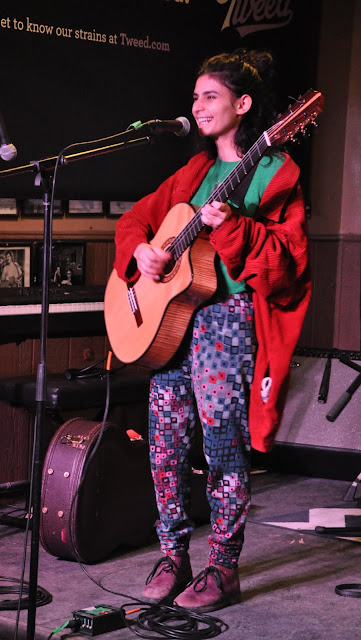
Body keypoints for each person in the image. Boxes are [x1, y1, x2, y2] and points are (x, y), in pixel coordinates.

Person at [112, 49, 311, 612]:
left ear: (242, 105)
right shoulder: (193, 172)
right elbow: (135, 220)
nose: (197, 106)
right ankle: (173, 554)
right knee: (165, 444)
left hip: (228, 319)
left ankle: (223, 566)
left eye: (210, 96)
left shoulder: (275, 171)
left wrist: (235, 229)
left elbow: (287, 265)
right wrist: (142, 252)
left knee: (222, 442)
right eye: (195, 96)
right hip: (171, 325)